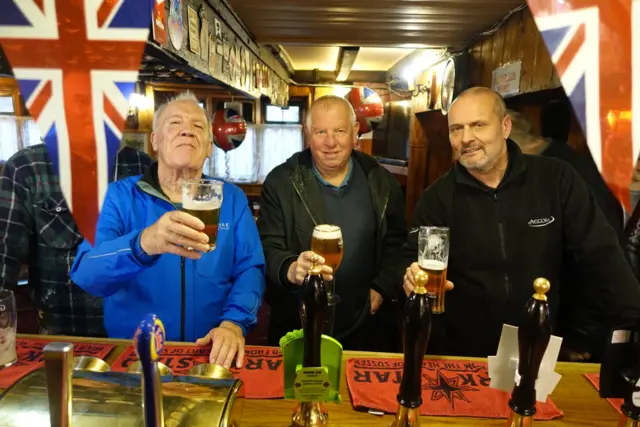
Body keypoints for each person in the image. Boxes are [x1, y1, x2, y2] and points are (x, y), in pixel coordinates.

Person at [402, 87, 640, 359]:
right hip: (465, 352)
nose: (466, 138)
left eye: (478, 125)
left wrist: (632, 319)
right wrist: (409, 276)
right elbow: (414, 259)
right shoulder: (437, 198)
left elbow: (601, 255)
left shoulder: (556, 179)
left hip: (541, 346)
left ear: (505, 127)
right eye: (456, 129)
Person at [70, 92, 265, 369]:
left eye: (198, 126)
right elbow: (86, 273)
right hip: (135, 356)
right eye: (175, 123)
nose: (187, 130)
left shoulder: (231, 198)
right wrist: (142, 244)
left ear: (209, 145)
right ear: (155, 141)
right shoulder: (118, 197)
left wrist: (234, 323)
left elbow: (250, 269)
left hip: (209, 353)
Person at [258, 95, 407, 351]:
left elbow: (397, 243)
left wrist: (382, 288)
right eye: (320, 131)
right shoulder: (281, 181)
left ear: (355, 132)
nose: (330, 142)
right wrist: (290, 268)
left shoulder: (382, 182)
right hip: (298, 324)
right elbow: (266, 246)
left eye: (339, 131)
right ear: (307, 134)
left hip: (367, 326)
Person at [0, 142, 152, 337]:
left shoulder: (143, 165)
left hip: (137, 335)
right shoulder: (27, 167)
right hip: (63, 335)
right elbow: (4, 254)